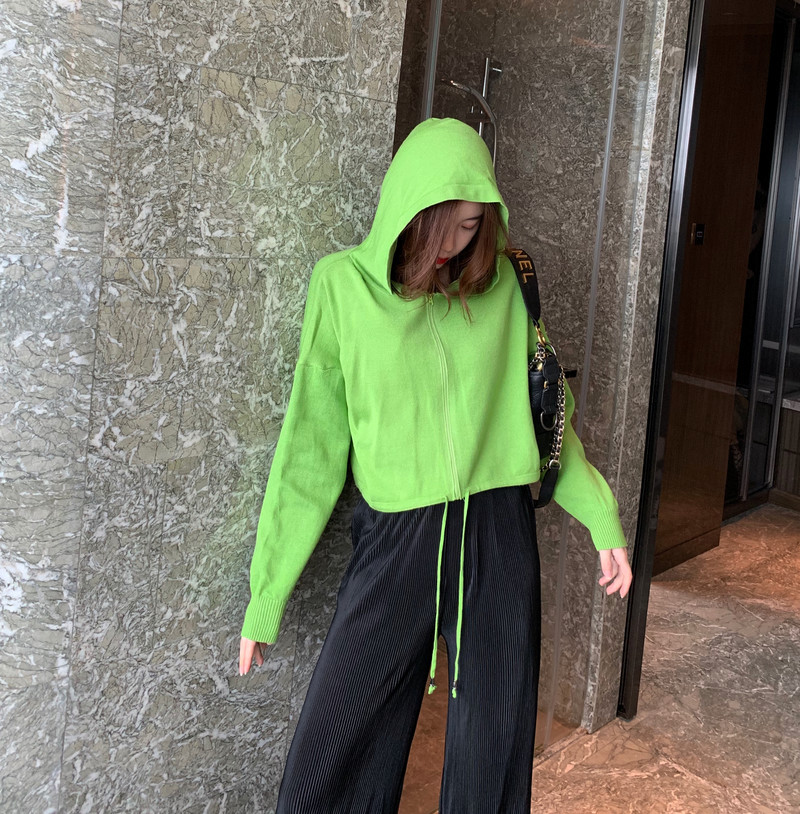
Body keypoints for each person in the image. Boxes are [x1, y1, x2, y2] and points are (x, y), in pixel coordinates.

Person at [239, 117, 632, 813]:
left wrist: (601, 517)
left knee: (494, 751)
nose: (454, 244)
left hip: (498, 535)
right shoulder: (342, 288)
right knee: (333, 759)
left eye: (472, 225)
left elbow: (548, 417)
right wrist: (266, 596)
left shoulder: (505, 284)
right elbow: (310, 449)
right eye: (440, 225)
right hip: (398, 541)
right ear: (407, 210)